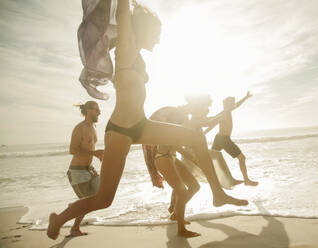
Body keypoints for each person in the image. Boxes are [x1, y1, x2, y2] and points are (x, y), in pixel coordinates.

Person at [47, 0, 247, 240]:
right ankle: (58, 219)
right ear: (141, 30)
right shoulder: (127, 47)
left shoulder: (137, 54)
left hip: (141, 126)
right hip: (120, 130)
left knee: (195, 137)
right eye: (157, 33)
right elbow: (123, 13)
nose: (159, 39)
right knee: (104, 200)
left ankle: (217, 193)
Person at [144, 107, 201, 237]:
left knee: (195, 186)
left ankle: (176, 214)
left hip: (172, 158)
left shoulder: (175, 128)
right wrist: (195, 160)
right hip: (163, 159)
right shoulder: (168, 130)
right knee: (182, 191)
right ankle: (181, 230)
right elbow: (178, 147)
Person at [67, 101, 104, 236]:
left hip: (90, 169)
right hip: (77, 172)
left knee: (102, 196)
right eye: (97, 110)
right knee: (86, 204)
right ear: (88, 110)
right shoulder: (80, 128)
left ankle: (74, 206)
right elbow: (72, 149)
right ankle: (74, 228)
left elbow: (90, 149)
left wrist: (98, 155)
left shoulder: (93, 128)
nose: (99, 112)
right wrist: (94, 153)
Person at [207, 91, 258, 186]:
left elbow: (237, 105)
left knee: (212, 158)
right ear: (226, 104)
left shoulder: (227, 111)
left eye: (233, 103)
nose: (234, 105)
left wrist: (246, 97)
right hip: (223, 139)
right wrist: (202, 133)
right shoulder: (224, 113)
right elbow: (212, 124)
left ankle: (213, 177)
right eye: (232, 103)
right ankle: (246, 180)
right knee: (242, 158)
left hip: (219, 138)